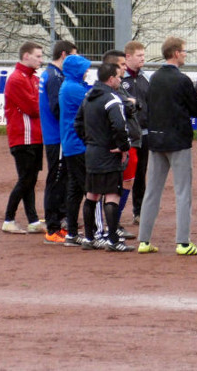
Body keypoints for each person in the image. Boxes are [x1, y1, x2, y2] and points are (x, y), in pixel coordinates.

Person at [137, 37, 197, 256]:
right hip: (177, 141)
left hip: (156, 140)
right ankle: (183, 242)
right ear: (175, 53)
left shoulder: (154, 78)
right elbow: (196, 109)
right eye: (184, 51)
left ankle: (144, 240)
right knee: (183, 192)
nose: (185, 54)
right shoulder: (182, 80)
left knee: (152, 191)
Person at [74, 63, 134, 252]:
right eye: (118, 77)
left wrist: (90, 142)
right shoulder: (112, 99)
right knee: (112, 195)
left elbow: (77, 124)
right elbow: (119, 126)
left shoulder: (88, 97)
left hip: (92, 152)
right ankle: (114, 240)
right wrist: (123, 147)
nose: (120, 80)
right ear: (110, 79)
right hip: (108, 153)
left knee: (91, 195)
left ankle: (89, 238)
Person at [2, 42, 46, 235]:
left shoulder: (33, 78)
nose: (41, 59)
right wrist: (42, 104)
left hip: (35, 136)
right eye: (37, 56)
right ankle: (9, 219)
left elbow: (38, 104)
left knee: (30, 179)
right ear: (26, 56)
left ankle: (33, 220)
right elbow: (33, 108)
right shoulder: (16, 79)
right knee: (26, 179)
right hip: (23, 137)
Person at [38, 40, 77, 243]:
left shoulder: (51, 74)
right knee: (56, 180)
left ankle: (58, 222)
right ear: (63, 55)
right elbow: (57, 108)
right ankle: (52, 227)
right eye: (72, 56)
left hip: (55, 136)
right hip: (57, 136)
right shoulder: (55, 77)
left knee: (59, 179)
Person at [100, 50, 139, 242]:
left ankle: (114, 221)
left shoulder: (119, 87)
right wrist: (130, 103)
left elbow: (133, 105)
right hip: (117, 143)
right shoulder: (109, 89)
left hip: (128, 140)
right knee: (113, 184)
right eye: (122, 65)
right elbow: (126, 107)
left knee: (126, 181)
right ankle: (109, 224)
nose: (125, 67)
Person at [59, 53, 92, 247]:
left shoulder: (71, 85)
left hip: (72, 143)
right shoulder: (73, 88)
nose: (87, 71)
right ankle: (92, 233)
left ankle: (72, 233)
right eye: (84, 68)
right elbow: (94, 103)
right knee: (89, 188)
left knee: (75, 190)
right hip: (78, 144)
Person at [122, 41, 150, 225]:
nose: (143, 58)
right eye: (139, 55)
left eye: (143, 55)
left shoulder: (146, 78)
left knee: (141, 174)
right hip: (127, 135)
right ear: (128, 57)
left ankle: (139, 211)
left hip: (145, 133)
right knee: (124, 175)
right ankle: (114, 211)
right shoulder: (120, 79)